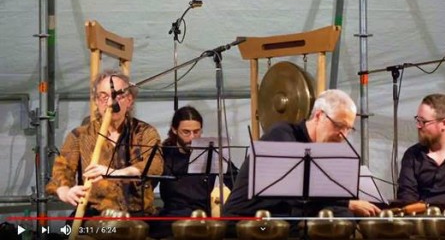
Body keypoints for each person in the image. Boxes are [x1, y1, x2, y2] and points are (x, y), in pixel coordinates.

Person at [223, 89, 381, 220]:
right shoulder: (282, 135)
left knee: (342, 216)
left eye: (349, 129)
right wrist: (347, 203)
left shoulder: (322, 149)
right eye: (339, 126)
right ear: (319, 116)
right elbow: (296, 194)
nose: (343, 135)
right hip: (246, 220)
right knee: (339, 214)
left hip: (281, 218)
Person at [46, 70, 163, 218]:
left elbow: (155, 166)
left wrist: (115, 174)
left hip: (139, 214)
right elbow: (60, 173)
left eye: (118, 96)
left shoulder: (145, 132)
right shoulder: (80, 135)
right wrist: (65, 192)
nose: (110, 103)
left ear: (130, 100)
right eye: (103, 96)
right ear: (95, 100)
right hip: (96, 214)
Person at [153, 106, 238, 238]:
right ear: (175, 130)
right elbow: (148, 184)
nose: (192, 137)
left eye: (196, 132)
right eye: (186, 132)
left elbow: (236, 180)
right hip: (172, 216)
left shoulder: (211, 152)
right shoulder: (164, 154)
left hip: (204, 215)